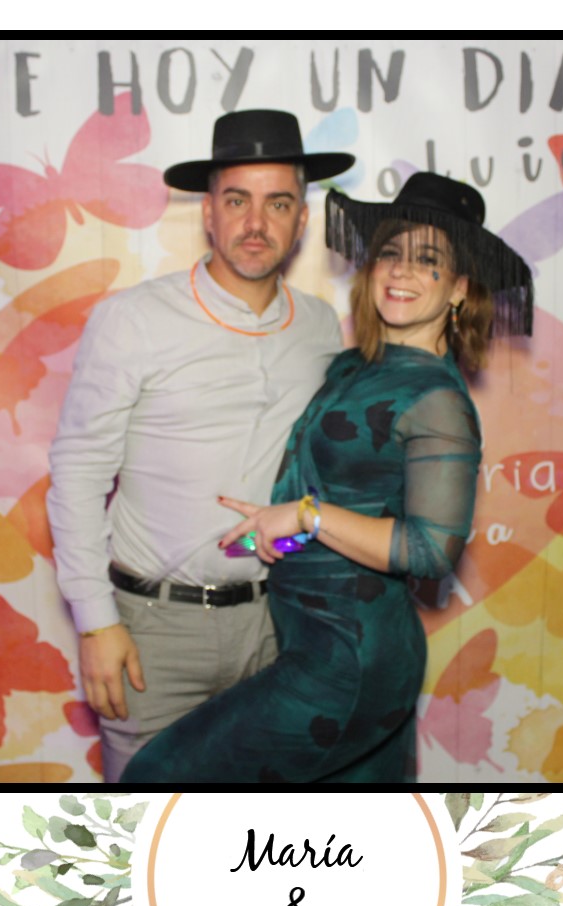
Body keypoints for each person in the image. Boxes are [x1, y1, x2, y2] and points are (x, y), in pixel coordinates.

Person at [125, 173, 533, 785]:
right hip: (310, 638)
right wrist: (276, 532)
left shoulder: (437, 400)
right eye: (390, 253)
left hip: (351, 659)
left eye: (428, 261)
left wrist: (305, 515)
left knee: (156, 780)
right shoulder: (354, 367)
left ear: (459, 289)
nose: (401, 271)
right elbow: (352, 502)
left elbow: (429, 550)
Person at [46, 111, 353, 779]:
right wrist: (96, 622)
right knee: (150, 827)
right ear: (209, 213)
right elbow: (77, 473)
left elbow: (318, 477)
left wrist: (292, 552)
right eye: (237, 201)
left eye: (278, 204)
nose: (256, 222)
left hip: (277, 628)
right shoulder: (134, 319)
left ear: (302, 219)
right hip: (153, 633)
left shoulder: (321, 327)